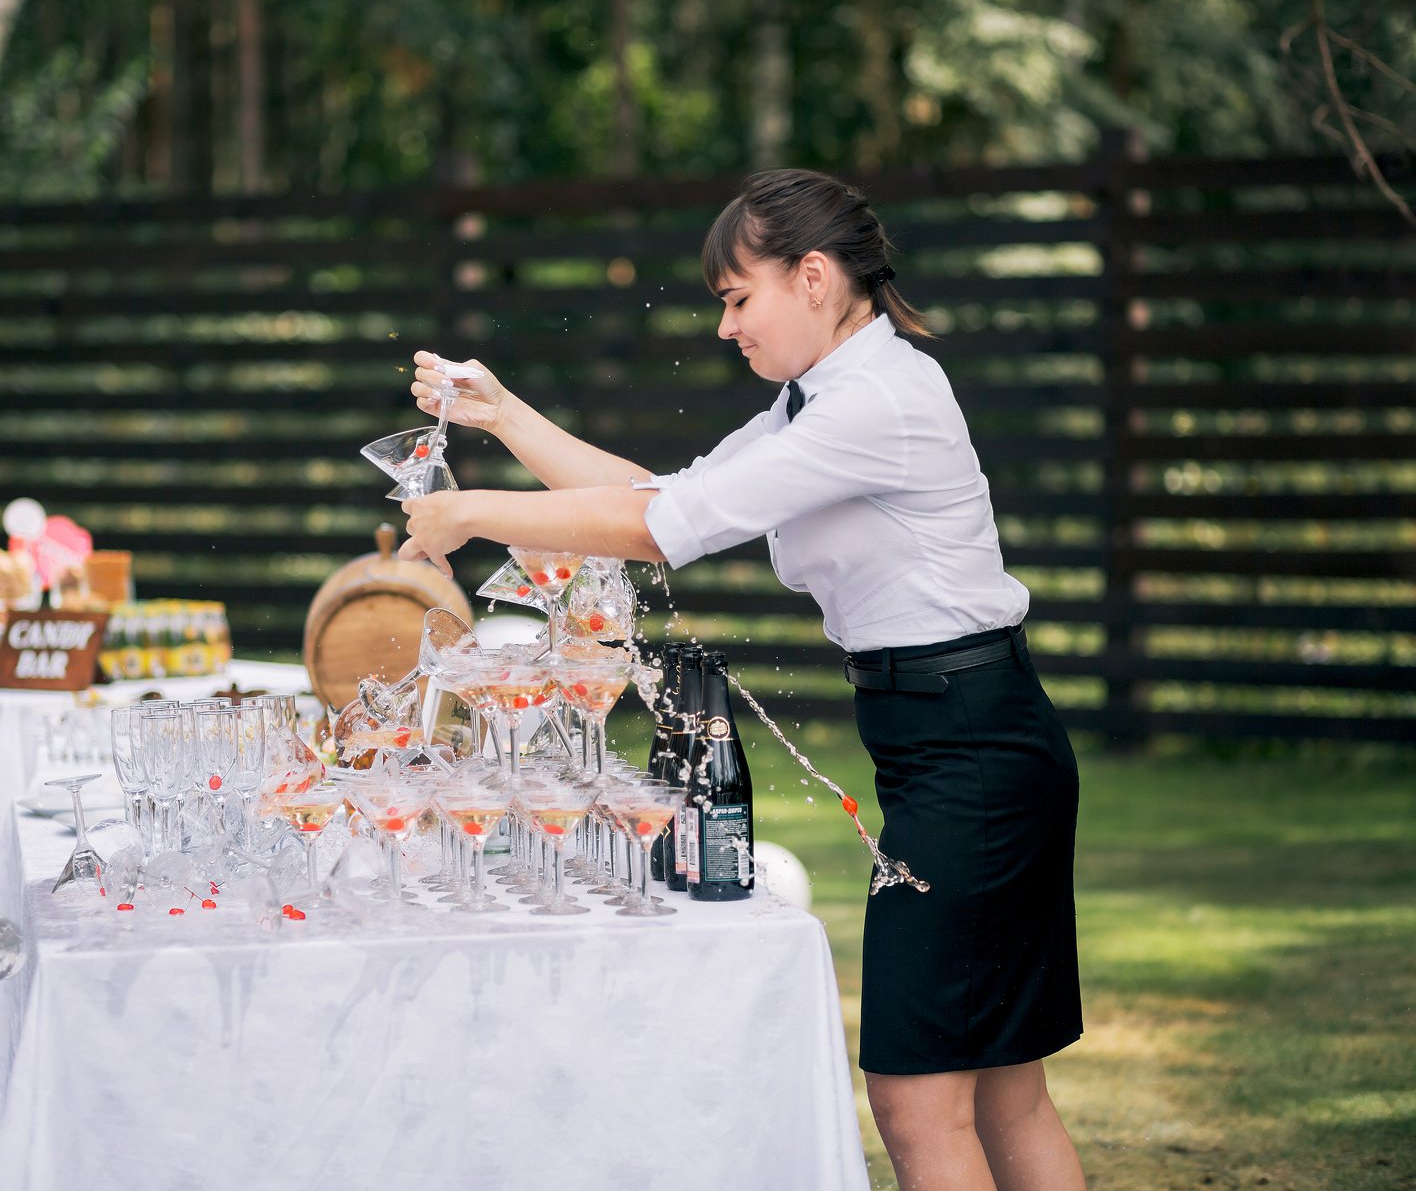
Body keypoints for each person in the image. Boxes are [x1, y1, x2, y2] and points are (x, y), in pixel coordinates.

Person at [398, 168, 1086, 1191]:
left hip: (973, 757)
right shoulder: (826, 396)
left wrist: (470, 512)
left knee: (920, 1099)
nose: (725, 328)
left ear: (812, 277)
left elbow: (658, 531)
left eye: (736, 298)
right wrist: (504, 416)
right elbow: (664, 493)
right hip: (969, 738)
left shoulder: (874, 402)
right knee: (1000, 1089)